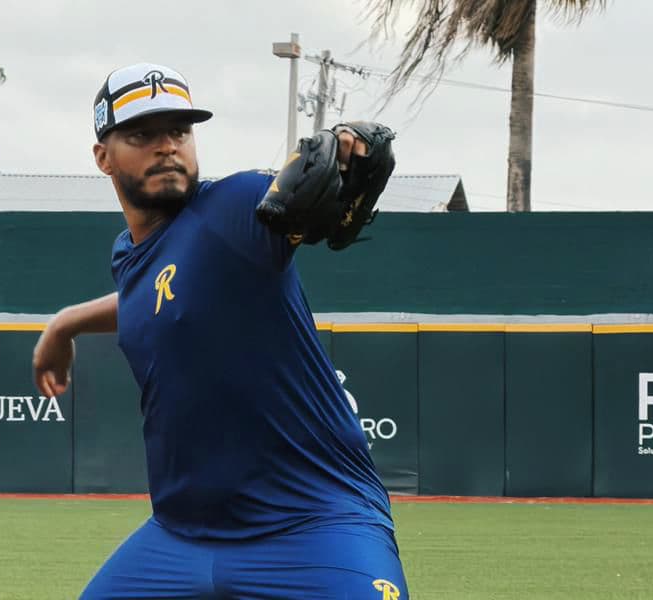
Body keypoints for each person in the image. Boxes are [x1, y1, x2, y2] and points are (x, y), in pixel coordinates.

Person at [33, 63, 408, 600]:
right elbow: (153, 296)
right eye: (142, 134)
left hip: (314, 525)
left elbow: (283, 196)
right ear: (103, 157)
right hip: (179, 539)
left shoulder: (233, 208)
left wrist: (345, 154)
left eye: (179, 132)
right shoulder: (129, 256)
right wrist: (65, 324)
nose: (167, 146)